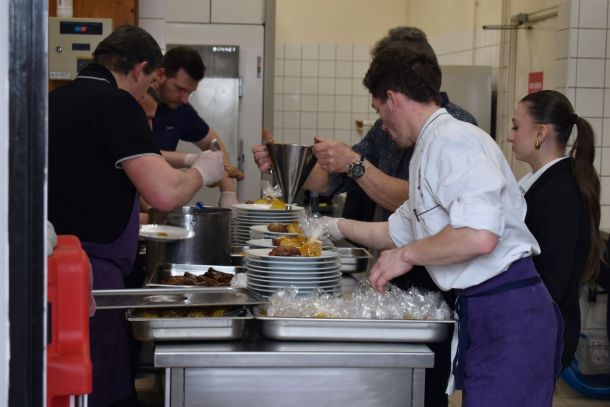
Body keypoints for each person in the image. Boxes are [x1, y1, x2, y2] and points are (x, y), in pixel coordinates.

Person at [319, 28, 562, 406]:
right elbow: (397, 230)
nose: (382, 124)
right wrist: (330, 227)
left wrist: (406, 256)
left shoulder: (453, 140)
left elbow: (479, 235)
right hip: (487, 310)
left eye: (379, 110)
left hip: (511, 313)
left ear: (392, 99)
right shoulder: (429, 147)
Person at [253, 27, 477, 407]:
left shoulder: (454, 130)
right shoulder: (390, 128)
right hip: (396, 262)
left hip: (437, 278)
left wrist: (355, 164)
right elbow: (336, 181)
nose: (382, 121)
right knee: (393, 380)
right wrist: (282, 165)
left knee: (426, 382)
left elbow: (420, 203)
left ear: (397, 90)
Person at [48, 25, 225, 407]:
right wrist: (202, 172)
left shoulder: (55, 100)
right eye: (149, 83)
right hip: (92, 273)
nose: (147, 93)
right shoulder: (117, 104)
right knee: (99, 387)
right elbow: (164, 193)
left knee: (64, 383)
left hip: (52, 267)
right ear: (140, 68)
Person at [507, 89, 602, 370]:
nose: (510, 136)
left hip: (539, 336)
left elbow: (550, 282)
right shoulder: (543, 184)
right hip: (530, 331)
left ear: (541, 133)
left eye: (516, 126)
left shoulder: (559, 193)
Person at [152, 46, 243, 209]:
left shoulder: (180, 109)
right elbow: (144, 154)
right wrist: (190, 159)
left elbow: (212, 142)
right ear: (161, 75)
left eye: (190, 92)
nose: (185, 99)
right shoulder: (139, 101)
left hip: (157, 198)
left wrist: (228, 191)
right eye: (180, 89)